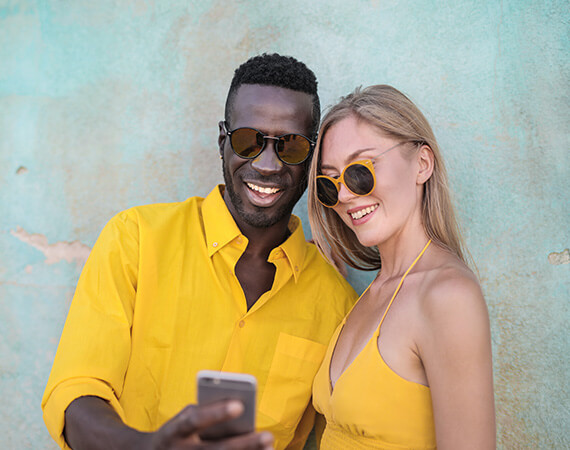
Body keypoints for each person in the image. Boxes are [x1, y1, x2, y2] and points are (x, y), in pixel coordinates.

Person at [41, 53, 356, 450]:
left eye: (290, 146)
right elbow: (75, 391)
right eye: (249, 140)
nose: (268, 164)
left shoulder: (335, 303)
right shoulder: (136, 239)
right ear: (223, 141)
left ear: (310, 158)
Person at [308, 85, 496, 449]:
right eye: (329, 184)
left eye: (360, 171)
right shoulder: (368, 296)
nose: (344, 195)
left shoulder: (447, 297)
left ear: (422, 164)